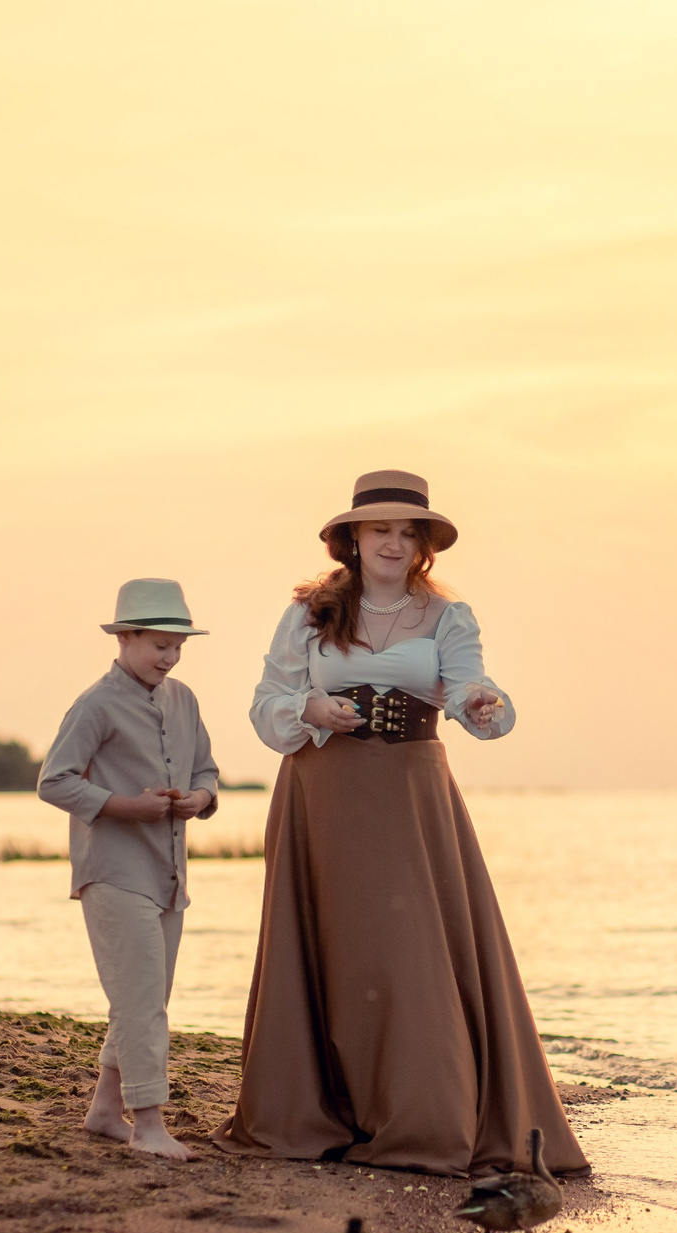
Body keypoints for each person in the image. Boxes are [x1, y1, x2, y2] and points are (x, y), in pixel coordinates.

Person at [220, 470, 587, 1178]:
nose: (393, 542)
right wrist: (310, 710)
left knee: (411, 951)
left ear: (423, 545)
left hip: (413, 793)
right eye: (380, 529)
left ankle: (422, 1116)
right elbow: (268, 700)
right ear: (352, 538)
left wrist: (479, 704)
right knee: (334, 944)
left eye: (407, 532)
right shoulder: (309, 613)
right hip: (323, 789)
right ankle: (322, 1112)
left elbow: (470, 684)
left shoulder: (449, 616)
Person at [38, 577, 221, 1160]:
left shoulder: (184, 700)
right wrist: (124, 806)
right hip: (113, 873)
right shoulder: (95, 704)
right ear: (124, 637)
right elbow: (53, 781)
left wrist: (200, 799)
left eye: (178, 647)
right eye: (160, 645)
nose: (170, 657)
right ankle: (148, 1125)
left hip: (170, 876)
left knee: (144, 999)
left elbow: (207, 770)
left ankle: (103, 1111)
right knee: (141, 1003)